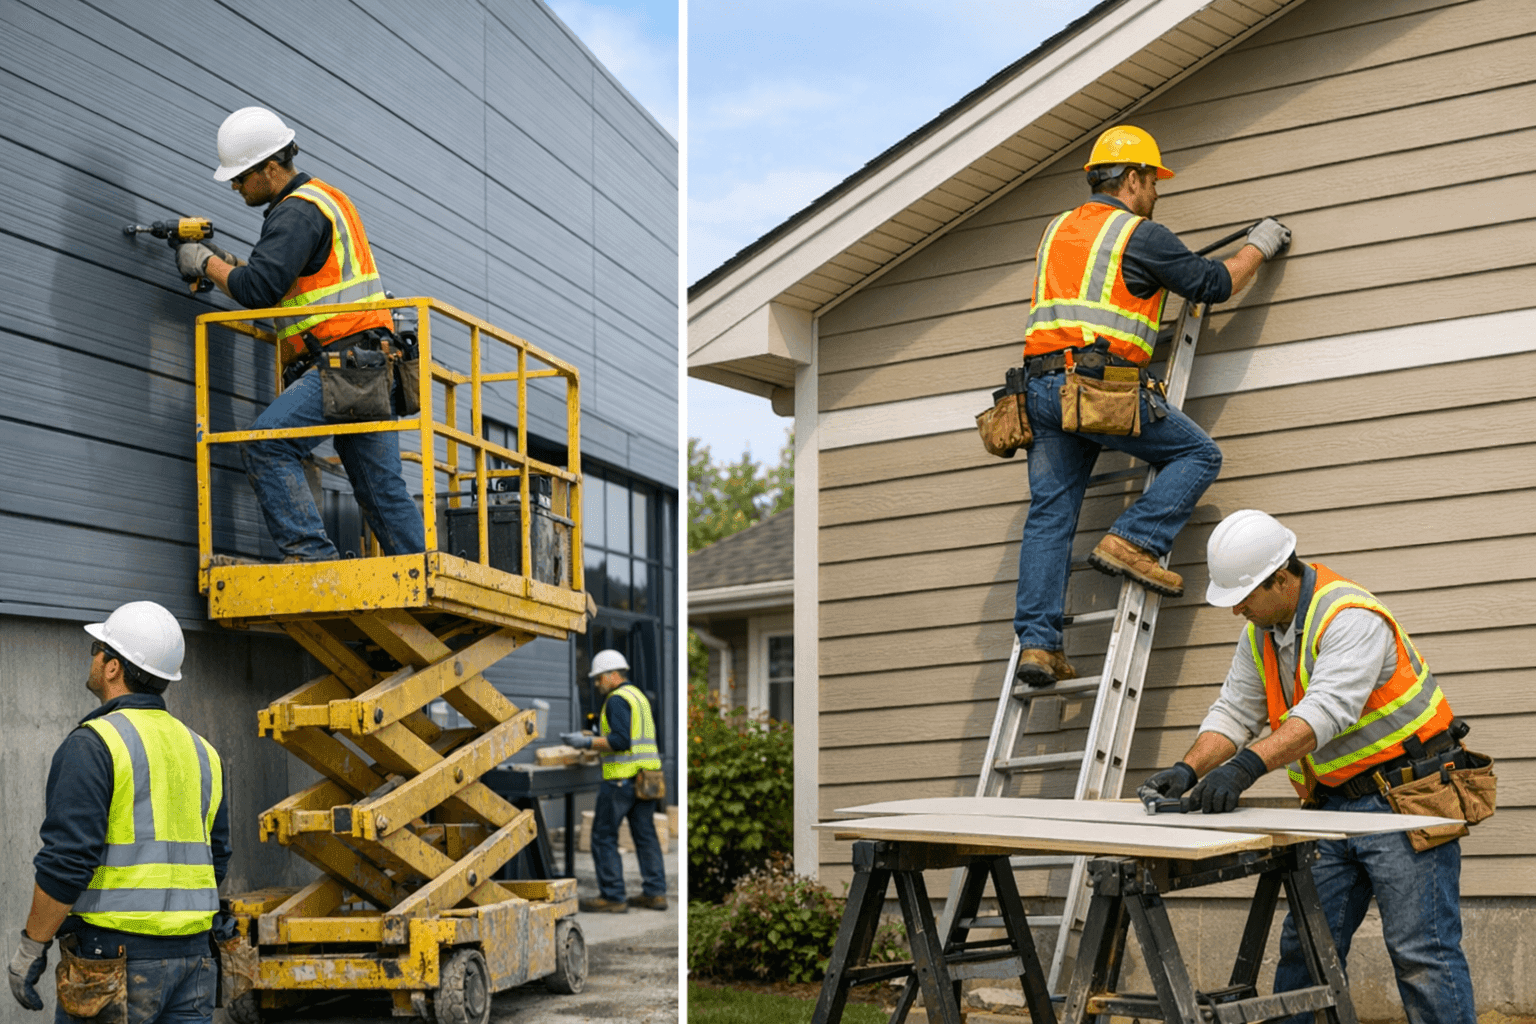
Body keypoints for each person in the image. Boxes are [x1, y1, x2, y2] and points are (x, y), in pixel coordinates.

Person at [1139, 509, 1476, 1023]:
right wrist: (1189, 769)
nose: (1237, 612)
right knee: (1306, 955)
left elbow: (1326, 712)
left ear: (1280, 578)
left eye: (1243, 598)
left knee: (1421, 955)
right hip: (1335, 807)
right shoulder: (1262, 633)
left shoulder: (1349, 616)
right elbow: (1234, 711)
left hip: (1408, 799)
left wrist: (1245, 768)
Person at [1013, 124, 1292, 688]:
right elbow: (1213, 284)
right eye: (1153, 181)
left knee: (1049, 519)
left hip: (1038, 391)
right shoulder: (1137, 233)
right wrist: (1258, 246)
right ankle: (1133, 539)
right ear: (1133, 178)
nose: (1157, 193)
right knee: (1198, 455)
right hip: (1099, 388)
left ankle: (1038, 647)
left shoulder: (1056, 229)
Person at [177, 106, 424, 562]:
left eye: (241, 176)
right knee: (381, 486)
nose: (234, 185)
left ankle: (314, 561)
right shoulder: (325, 199)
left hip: (340, 365)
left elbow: (259, 289)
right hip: (373, 365)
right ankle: (422, 576)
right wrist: (228, 263)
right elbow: (293, 280)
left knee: (266, 445)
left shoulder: (295, 212)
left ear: (271, 169)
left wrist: (204, 262)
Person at [7, 602, 231, 1023]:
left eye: (98, 648)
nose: (92, 657)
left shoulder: (94, 745)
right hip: (196, 959)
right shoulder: (203, 752)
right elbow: (215, 858)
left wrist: (31, 948)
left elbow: (66, 863)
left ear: (112, 667)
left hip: (114, 962)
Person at [560, 650, 667, 913]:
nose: (597, 685)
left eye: (599, 679)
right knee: (646, 836)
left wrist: (586, 742)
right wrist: (595, 734)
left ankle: (613, 896)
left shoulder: (617, 699)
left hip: (621, 780)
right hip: (646, 779)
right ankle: (655, 893)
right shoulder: (638, 697)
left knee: (603, 837)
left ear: (612, 675)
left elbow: (620, 741)